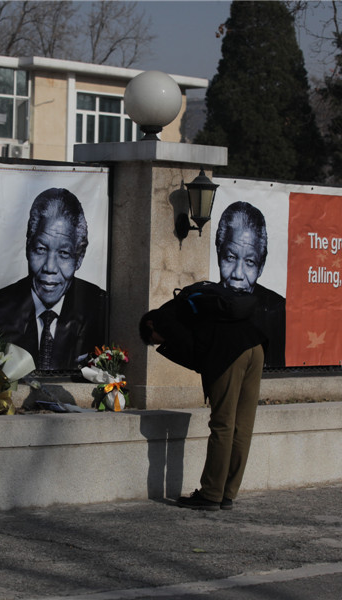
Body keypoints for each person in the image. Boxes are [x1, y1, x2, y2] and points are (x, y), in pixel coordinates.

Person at [140, 282, 266, 510]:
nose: (157, 343)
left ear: (150, 324)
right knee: (243, 425)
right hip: (254, 347)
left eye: (153, 339)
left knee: (222, 424)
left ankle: (210, 494)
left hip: (229, 353)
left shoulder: (165, 318)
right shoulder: (186, 308)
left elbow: (196, 350)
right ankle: (227, 493)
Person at [0, 188, 107, 371]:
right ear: (28, 248)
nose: (50, 268)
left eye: (64, 253)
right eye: (41, 250)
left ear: (80, 257)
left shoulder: (99, 307)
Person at [215, 201, 286, 367]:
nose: (238, 274)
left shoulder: (276, 308)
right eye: (230, 258)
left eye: (250, 261)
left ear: (261, 266)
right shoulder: (207, 304)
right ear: (219, 253)